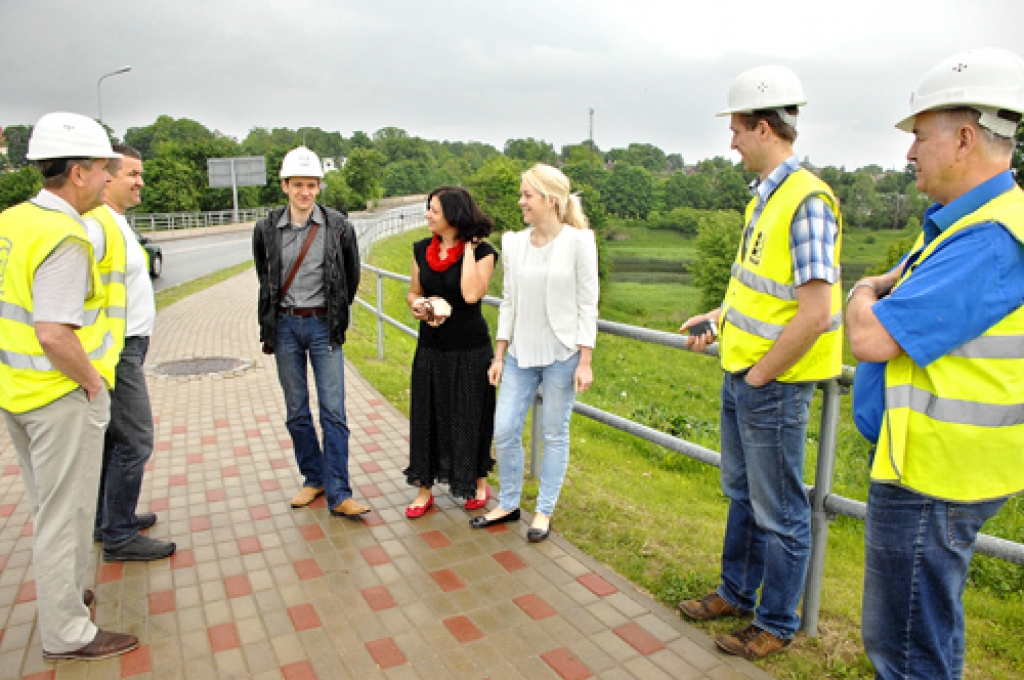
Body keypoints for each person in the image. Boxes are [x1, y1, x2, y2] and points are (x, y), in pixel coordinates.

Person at [846, 48, 1024, 680]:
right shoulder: (966, 226)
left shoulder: (989, 240)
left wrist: (863, 288)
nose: (910, 153)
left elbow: (869, 338)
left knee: (906, 648)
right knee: (927, 633)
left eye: (920, 135)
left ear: (965, 138)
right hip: (936, 464)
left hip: (933, 474)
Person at [677, 65, 844, 660]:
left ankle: (774, 623)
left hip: (771, 383)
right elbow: (759, 290)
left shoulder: (806, 203)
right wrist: (719, 319)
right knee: (744, 494)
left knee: (780, 510)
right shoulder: (765, 200)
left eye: (738, 129)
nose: (731, 141)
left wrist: (762, 374)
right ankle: (735, 592)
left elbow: (817, 312)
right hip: (744, 373)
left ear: (766, 128)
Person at [0, 112, 138, 660]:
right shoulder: (66, 235)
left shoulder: (11, 221)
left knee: (48, 507)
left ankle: (66, 600)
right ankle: (68, 631)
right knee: (68, 516)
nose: (108, 179)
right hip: (58, 396)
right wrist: (92, 385)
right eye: (104, 169)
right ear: (78, 172)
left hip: (16, 391)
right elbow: (55, 333)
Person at [469, 163, 598, 543]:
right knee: (505, 428)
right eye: (522, 194)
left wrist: (585, 361)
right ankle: (508, 503)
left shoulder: (579, 242)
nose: (521, 201)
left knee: (555, 434)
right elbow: (508, 301)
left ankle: (543, 511)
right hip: (519, 356)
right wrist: (499, 354)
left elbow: (588, 303)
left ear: (551, 200)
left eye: (528, 195)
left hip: (563, 354)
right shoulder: (513, 243)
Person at [253, 146, 368, 518]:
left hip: (323, 327)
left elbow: (350, 277)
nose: (305, 192)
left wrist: (333, 312)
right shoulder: (266, 228)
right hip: (285, 325)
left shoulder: (339, 227)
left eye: (312, 185)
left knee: (333, 411)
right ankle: (313, 477)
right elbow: (264, 275)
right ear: (284, 186)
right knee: (296, 410)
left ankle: (340, 493)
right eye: (298, 184)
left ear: (319, 187)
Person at [84, 144, 176, 562]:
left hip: (128, 344)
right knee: (136, 439)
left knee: (115, 438)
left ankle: (110, 519)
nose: (140, 182)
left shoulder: (117, 221)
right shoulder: (98, 224)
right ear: (108, 177)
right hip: (116, 349)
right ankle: (119, 535)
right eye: (132, 174)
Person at [404, 187, 497, 517]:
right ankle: (424, 489)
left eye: (435, 211)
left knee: (470, 416)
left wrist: (469, 248)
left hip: (471, 349)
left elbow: (471, 295)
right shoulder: (420, 251)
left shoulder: (485, 252)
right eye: (428, 208)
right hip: (431, 346)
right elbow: (413, 293)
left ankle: (477, 482)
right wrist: (420, 305)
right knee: (427, 414)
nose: (428, 215)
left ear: (455, 216)